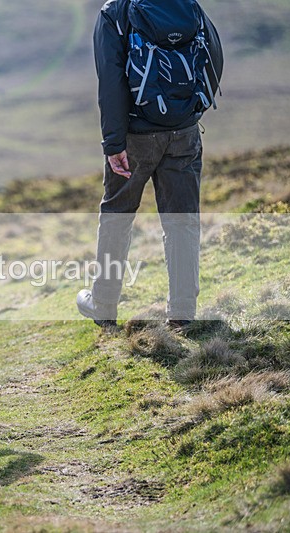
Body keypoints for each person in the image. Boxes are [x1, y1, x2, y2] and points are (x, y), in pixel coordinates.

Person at [77, 0, 222, 330]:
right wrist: (190, 112)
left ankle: (104, 305)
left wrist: (114, 143)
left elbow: (111, 80)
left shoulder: (114, 13)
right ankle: (183, 312)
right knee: (182, 220)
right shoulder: (187, 5)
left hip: (135, 135)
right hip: (184, 133)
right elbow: (214, 54)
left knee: (117, 216)